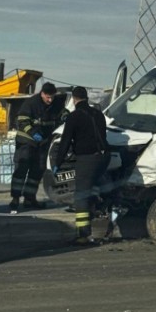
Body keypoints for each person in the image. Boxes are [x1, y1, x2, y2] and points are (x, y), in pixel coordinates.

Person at [53, 86, 109, 245]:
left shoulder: (74, 116)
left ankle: (83, 234)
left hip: (87, 159)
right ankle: (101, 216)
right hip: (104, 158)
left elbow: (65, 142)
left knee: (81, 196)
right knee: (94, 188)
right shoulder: (99, 115)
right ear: (86, 98)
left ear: (74, 99)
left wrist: (58, 162)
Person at [10, 81, 67, 213]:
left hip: (43, 143)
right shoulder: (31, 103)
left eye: (52, 97)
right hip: (26, 142)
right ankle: (15, 199)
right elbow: (21, 121)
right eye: (47, 97)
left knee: (37, 172)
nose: (50, 99)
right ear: (42, 94)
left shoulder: (56, 104)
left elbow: (62, 113)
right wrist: (33, 133)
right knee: (21, 170)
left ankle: (30, 199)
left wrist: (65, 116)